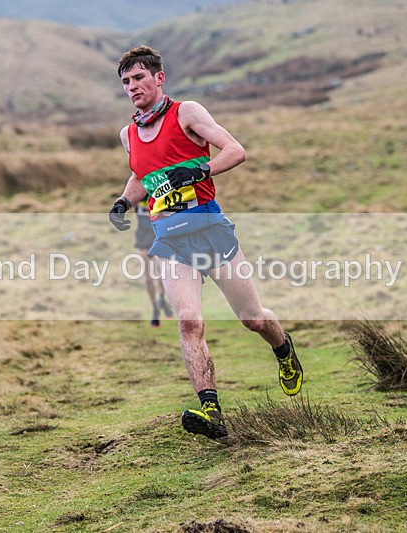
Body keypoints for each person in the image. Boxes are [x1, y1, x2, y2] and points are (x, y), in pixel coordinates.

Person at [108, 45, 303, 440]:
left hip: (210, 231)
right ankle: (211, 410)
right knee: (189, 321)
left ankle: (283, 349)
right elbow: (142, 175)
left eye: (139, 78)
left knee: (252, 319)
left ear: (159, 78)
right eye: (126, 82)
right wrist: (125, 201)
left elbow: (236, 150)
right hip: (170, 241)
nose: (132, 87)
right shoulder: (129, 134)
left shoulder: (187, 113)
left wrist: (200, 170)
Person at [133, 194, 173, 327]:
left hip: (159, 236)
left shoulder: (159, 191)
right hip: (143, 238)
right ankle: (155, 308)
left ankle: (161, 299)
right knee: (148, 278)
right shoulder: (136, 192)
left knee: (161, 274)